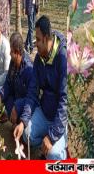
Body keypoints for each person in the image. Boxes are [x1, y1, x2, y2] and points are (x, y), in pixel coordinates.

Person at [14, 15, 67, 160]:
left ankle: (57, 147)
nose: (35, 43)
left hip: (59, 119)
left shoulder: (62, 58)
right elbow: (32, 92)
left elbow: (64, 102)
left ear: (47, 38)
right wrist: (23, 121)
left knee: (55, 154)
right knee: (27, 134)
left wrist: (52, 136)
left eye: (37, 39)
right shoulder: (39, 59)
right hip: (44, 112)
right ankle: (46, 144)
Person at [0, 32, 34, 125]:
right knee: (1, 94)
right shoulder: (13, 63)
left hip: (25, 107)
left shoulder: (29, 70)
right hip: (15, 99)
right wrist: (0, 94)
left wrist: (17, 106)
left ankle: (19, 125)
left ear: (17, 52)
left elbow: (32, 98)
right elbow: (8, 83)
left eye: (11, 51)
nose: (9, 53)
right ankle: (11, 118)